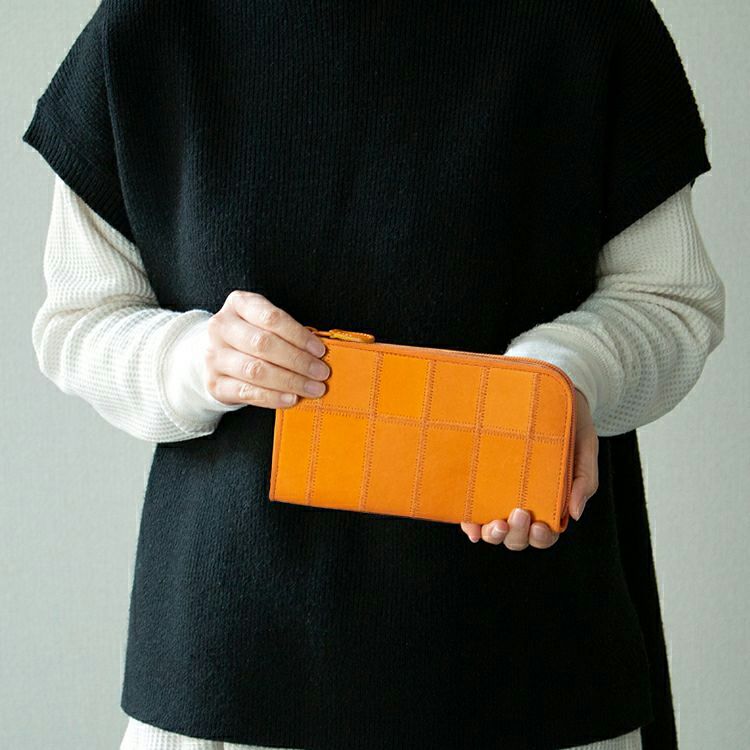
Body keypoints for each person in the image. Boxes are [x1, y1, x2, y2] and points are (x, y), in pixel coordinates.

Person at [22, 1, 726, 748]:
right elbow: (80, 319)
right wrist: (197, 358)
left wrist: (558, 381)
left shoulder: (589, 20)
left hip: (528, 652)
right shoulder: (152, 24)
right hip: (232, 662)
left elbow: (669, 299)